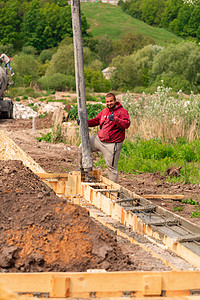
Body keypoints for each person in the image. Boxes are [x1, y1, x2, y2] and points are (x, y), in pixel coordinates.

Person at [79, 93, 130, 182]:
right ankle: (84, 173)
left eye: (111, 101)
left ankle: (112, 191)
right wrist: (84, 122)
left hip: (112, 144)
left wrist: (115, 119)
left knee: (111, 168)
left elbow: (126, 124)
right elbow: (96, 120)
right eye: (107, 102)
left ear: (115, 101)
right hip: (99, 139)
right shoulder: (105, 111)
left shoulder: (122, 112)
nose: (109, 103)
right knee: (82, 147)